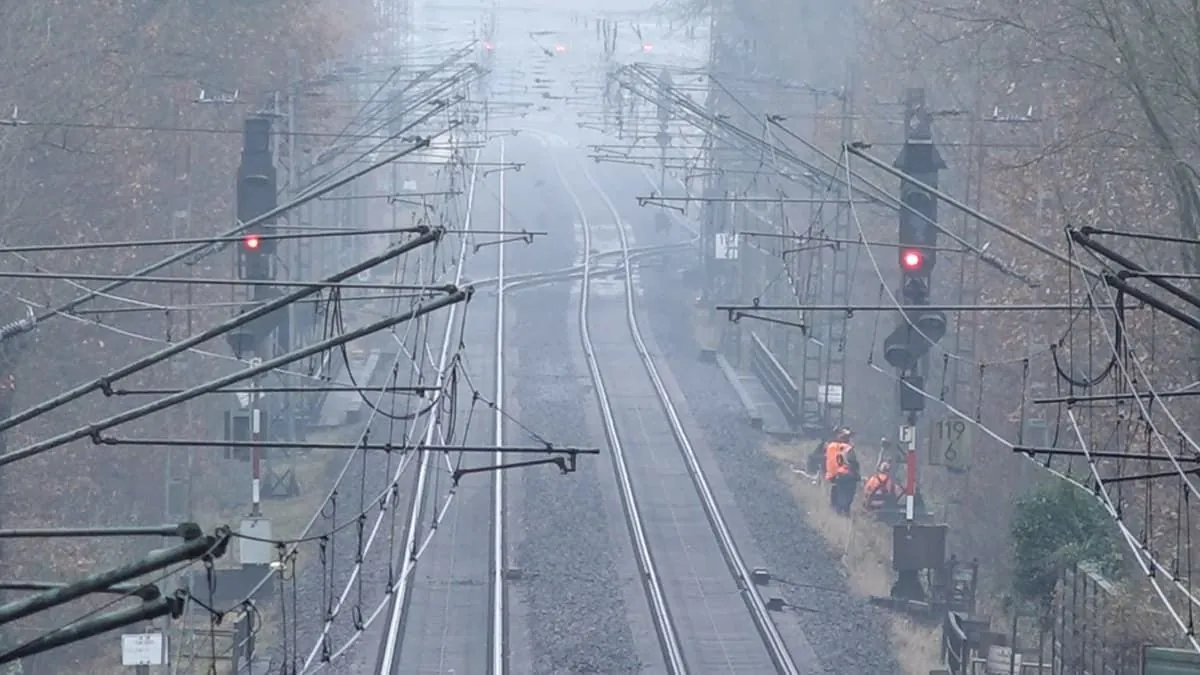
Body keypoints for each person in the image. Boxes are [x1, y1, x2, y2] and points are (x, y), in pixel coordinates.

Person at [824, 428, 857, 514]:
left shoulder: (830, 446)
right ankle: (845, 509)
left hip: (833, 475)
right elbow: (853, 462)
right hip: (846, 475)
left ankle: (835, 508)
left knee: (836, 491)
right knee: (848, 492)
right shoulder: (848, 448)